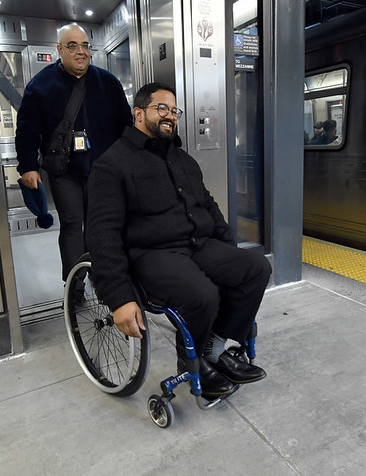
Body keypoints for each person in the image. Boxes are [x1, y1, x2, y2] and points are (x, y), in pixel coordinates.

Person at [86, 82, 272, 398]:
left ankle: (214, 345)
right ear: (139, 113)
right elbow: (102, 233)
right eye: (162, 108)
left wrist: (228, 249)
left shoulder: (183, 160)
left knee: (256, 267)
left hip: (197, 244)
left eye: (175, 110)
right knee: (203, 295)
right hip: (152, 253)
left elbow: (209, 207)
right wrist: (118, 297)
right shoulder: (112, 164)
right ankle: (192, 362)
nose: (170, 115)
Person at [15, 24, 133, 282]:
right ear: (60, 49)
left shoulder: (108, 82)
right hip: (65, 172)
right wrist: (27, 167)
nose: (81, 52)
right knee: (71, 226)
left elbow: (126, 125)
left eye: (85, 46)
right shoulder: (41, 86)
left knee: (101, 227)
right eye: (72, 46)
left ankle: (103, 280)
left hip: (104, 171)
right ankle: (74, 286)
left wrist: (131, 161)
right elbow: (27, 130)